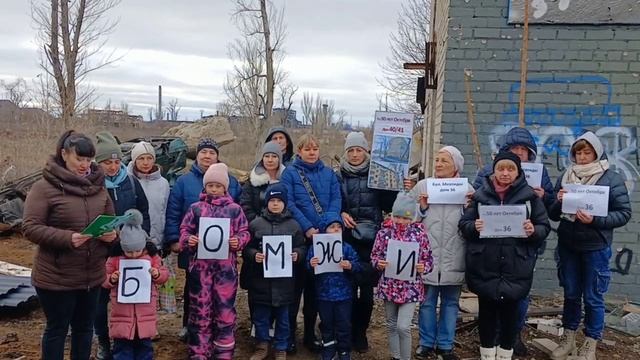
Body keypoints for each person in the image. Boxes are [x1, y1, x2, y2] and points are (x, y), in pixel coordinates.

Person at [22, 130, 117, 360]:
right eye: (79, 159)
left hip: (91, 277)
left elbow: (110, 222)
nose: (85, 165)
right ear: (64, 154)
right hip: (56, 277)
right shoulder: (44, 188)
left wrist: (111, 236)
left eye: (88, 160)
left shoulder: (99, 187)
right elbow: (30, 227)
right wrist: (67, 238)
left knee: (84, 329)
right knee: (57, 329)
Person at [460, 151, 550, 360]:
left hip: (516, 266)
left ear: (518, 172)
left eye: (511, 169)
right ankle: (487, 354)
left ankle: (505, 354)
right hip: (485, 265)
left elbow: (544, 226)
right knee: (487, 314)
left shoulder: (530, 198)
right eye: (501, 168)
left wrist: (532, 230)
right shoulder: (480, 196)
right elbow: (464, 225)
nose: (505, 173)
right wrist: (474, 226)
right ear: (494, 171)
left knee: (510, 315)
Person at [548, 132, 631, 360]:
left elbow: (624, 213)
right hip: (568, 245)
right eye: (578, 153)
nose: (582, 157)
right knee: (571, 294)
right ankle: (568, 338)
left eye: (587, 152)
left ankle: (590, 342)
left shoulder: (610, 179)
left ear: (596, 153)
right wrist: (558, 201)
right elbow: (552, 214)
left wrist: (595, 220)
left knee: (594, 297)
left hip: (596, 246)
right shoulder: (566, 177)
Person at [164, 138, 242, 340]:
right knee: (194, 288)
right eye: (203, 152)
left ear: (217, 156)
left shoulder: (231, 182)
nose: (207, 156)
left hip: (224, 253)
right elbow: (174, 212)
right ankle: (190, 326)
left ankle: (219, 327)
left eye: (211, 152)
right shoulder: (183, 181)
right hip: (193, 249)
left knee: (220, 292)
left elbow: (239, 214)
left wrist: (237, 240)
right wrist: (175, 239)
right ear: (196, 155)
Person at [179, 163, 250, 359]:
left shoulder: (234, 210)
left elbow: (245, 232)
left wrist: (238, 242)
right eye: (210, 185)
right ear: (205, 187)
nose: (214, 189)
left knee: (225, 312)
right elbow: (184, 231)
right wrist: (188, 240)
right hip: (200, 270)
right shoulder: (196, 209)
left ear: (225, 188)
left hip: (225, 271)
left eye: (218, 186)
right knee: (200, 311)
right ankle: (199, 351)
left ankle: (224, 351)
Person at [280, 133, 342, 353]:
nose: (312, 152)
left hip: (325, 239)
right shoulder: (290, 173)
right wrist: (307, 228)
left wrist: (328, 226)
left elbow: (336, 199)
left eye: (315, 148)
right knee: (295, 290)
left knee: (316, 291)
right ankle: (288, 336)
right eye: (307, 149)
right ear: (299, 151)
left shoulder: (329, 173)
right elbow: (290, 203)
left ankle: (309, 333)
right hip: (301, 237)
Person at [337, 131, 397, 353]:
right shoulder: (338, 175)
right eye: (350, 150)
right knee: (348, 288)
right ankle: (348, 331)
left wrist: (397, 183)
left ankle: (361, 332)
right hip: (348, 238)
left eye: (359, 150)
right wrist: (341, 213)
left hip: (372, 240)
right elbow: (334, 201)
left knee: (367, 292)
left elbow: (389, 204)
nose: (354, 155)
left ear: (366, 151)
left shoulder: (378, 174)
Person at [94, 131, 151, 359]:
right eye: (108, 162)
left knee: (127, 302)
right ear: (98, 163)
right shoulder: (92, 184)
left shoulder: (130, 181)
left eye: (117, 161)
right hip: (99, 251)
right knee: (100, 301)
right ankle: (103, 342)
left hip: (128, 251)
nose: (113, 167)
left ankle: (130, 339)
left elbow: (144, 210)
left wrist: (141, 235)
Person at [414, 146, 473, 360]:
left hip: (454, 254)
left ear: (455, 166)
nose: (438, 164)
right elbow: (408, 221)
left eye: (444, 161)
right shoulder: (423, 186)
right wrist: (421, 208)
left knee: (450, 302)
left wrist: (469, 208)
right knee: (427, 301)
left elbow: (472, 225)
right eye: (436, 159)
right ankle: (426, 342)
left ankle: (446, 345)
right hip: (427, 255)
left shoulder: (467, 190)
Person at [244, 183, 306, 360]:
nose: (276, 204)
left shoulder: (294, 225)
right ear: (266, 203)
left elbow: (302, 246)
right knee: (261, 317)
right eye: (272, 200)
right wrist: (254, 254)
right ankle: (262, 345)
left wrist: (298, 255)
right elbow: (247, 248)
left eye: (279, 200)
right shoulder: (256, 224)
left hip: (285, 284)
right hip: (261, 282)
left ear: (285, 203)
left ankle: (281, 347)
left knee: (284, 319)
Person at [370, 193, 433, 360]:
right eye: (397, 216)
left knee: (403, 326)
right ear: (392, 214)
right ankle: (395, 356)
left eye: (405, 218)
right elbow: (374, 256)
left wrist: (423, 267)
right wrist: (379, 263)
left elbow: (428, 259)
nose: (400, 221)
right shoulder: (384, 233)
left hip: (410, 288)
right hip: (389, 285)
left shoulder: (420, 235)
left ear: (411, 217)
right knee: (391, 324)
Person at [103, 209, 169, 359]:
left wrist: (157, 274)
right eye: (129, 252)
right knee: (122, 349)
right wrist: (112, 279)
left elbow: (164, 274)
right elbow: (103, 279)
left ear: (144, 245)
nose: (133, 255)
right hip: (121, 315)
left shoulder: (152, 258)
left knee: (145, 349)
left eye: (137, 250)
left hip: (145, 315)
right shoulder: (114, 259)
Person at [127, 141, 176, 313]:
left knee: (161, 280)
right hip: (136, 242)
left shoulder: (162, 183)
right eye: (141, 159)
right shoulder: (128, 181)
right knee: (141, 285)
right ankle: (143, 319)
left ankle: (155, 321)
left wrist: (168, 237)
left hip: (159, 239)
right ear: (134, 160)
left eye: (149, 158)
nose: (146, 162)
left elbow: (166, 210)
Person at [307, 216, 362, 360]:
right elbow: (308, 268)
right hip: (323, 294)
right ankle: (328, 348)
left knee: (344, 323)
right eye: (332, 227)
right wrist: (311, 264)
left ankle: (344, 350)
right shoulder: (315, 248)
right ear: (324, 230)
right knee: (326, 323)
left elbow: (357, 265)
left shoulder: (347, 247)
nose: (336, 229)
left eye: (339, 226)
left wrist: (350, 265)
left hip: (344, 295)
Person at [240, 141, 286, 223]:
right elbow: (245, 206)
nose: (270, 160)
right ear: (262, 158)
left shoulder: (287, 179)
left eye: (274, 156)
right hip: (258, 227)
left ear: (279, 159)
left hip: (284, 226)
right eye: (267, 156)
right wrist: (259, 222)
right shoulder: (252, 181)